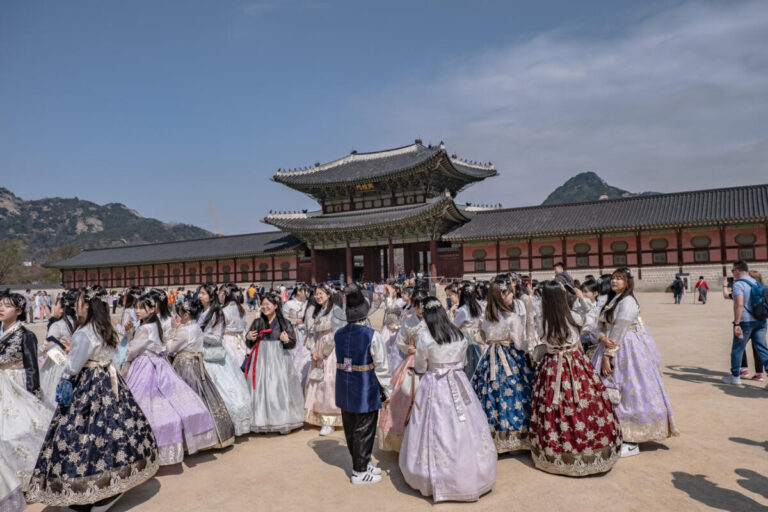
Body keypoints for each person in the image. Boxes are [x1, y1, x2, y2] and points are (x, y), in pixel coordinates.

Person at [26, 286, 158, 510]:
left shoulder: (83, 332)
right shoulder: (103, 326)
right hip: (108, 380)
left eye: (78, 301)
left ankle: (87, 489)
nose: (74, 305)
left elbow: (72, 367)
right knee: (112, 431)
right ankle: (114, 479)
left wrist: (59, 354)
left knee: (81, 436)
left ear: (87, 305)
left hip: (88, 385)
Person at [399, 297, 497, 502]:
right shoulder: (458, 335)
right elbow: (462, 360)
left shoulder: (426, 337)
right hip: (458, 381)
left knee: (433, 426)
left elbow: (421, 367)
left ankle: (431, 475)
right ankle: (471, 472)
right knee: (465, 424)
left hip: (434, 384)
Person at [529, 282, 622, 476]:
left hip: (552, 366)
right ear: (563, 298)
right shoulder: (575, 317)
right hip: (574, 363)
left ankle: (555, 450)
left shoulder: (543, 321)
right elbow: (593, 315)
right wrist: (582, 298)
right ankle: (587, 446)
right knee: (583, 402)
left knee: (552, 405)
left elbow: (539, 338)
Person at [591, 268, 679, 457]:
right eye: (613, 278)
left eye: (619, 279)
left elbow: (620, 329)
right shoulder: (612, 300)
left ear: (627, 282)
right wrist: (601, 337)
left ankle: (631, 439)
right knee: (610, 390)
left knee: (629, 390)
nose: (614, 281)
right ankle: (614, 432)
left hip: (625, 348)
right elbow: (599, 325)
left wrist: (607, 355)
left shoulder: (628, 301)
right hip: (609, 344)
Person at [123, 293, 217, 465]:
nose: (137, 311)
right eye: (136, 307)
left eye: (141, 308)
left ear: (152, 310)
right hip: (160, 363)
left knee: (144, 402)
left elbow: (132, 350)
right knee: (171, 399)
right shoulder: (155, 324)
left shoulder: (144, 328)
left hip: (145, 364)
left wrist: (127, 360)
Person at [334, 285, 392, 484]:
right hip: (365, 386)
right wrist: (387, 389)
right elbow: (382, 365)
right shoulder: (371, 335)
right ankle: (359, 471)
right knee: (365, 428)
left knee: (351, 427)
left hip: (344, 385)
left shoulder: (338, 334)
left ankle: (363, 462)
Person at [0, 291, 53, 491]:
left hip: (17, 384)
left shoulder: (25, 335)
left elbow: (32, 367)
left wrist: (33, 393)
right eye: (0, 304)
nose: (1, 308)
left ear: (19, 311)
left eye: (7, 306)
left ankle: (25, 478)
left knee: (19, 431)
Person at [473, 280, 534, 453]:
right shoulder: (512, 317)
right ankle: (516, 437)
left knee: (489, 393)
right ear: (501, 295)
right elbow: (518, 343)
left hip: (490, 358)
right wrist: (529, 347)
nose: (512, 295)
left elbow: (483, 337)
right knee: (516, 392)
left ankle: (492, 437)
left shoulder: (486, 317)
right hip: (509, 357)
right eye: (509, 292)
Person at [168, 299, 235, 449]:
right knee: (204, 397)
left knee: (187, 401)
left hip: (184, 366)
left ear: (186, 315)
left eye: (179, 314)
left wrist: (173, 331)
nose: (177, 316)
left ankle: (193, 441)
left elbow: (170, 348)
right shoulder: (197, 327)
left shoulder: (184, 330)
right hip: (197, 366)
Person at [245, 291, 305, 434]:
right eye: (263, 304)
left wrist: (286, 340)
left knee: (278, 389)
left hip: (279, 359)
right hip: (261, 360)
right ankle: (262, 421)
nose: (265, 307)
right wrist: (249, 338)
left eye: (268, 304)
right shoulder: (258, 322)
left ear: (276, 306)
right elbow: (250, 344)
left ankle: (282, 420)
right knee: (261, 390)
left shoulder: (284, 323)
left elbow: (292, 343)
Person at [197, 286, 252, 437]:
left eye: (203, 293)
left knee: (223, 386)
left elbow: (217, 337)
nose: (199, 296)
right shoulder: (203, 312)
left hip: (213, 354)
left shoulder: (217, 312)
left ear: (212, 296)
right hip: (204, 349)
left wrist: (197, 333)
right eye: (199, 293)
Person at [377, 288, 428, 452]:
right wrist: (407, 348)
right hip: (412, 361)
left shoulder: (433, 319)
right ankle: (403, 439)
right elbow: (400, 341)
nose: (419, 310)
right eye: (417, 306)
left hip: (429, 362)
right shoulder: (408, 321)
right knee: (403, 395)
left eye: (422, 306)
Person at [304, 283, 345, 435]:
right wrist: (313, 350)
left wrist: (324, 352)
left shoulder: (336, 311)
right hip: (318, 347)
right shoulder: (316, 311)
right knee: (317, 381)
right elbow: (311, 333)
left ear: (329, 294)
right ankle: (319, 416)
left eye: (321, 293)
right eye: (316, 294)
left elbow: (337, 333)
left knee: (329, 383)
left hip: (332, 350)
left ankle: (330, 420)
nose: (318, 296)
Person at [722, 261, 768, 388]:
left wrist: (737, 323)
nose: (732, 273)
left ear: (737, 270)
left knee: (738, 349)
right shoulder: (756, 282)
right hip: (760, 320)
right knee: (763, 350)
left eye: (732, 271)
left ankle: (735, 377)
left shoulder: (739, 284)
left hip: (745, 322)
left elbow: (739, 304)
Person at [38, 290, 78, 406]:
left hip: (57, 365)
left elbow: (46, 346)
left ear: (61, 309)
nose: (54, 307)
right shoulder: (77, 323)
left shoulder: (58, 325)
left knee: (51, 398)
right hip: (74, 362)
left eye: (56, 305)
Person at [452, 283, 484, 379]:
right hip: (477, 336)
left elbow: (455, 326)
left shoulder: (462, 310)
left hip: (466, 337)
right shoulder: (478, 307)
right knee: (477, 360)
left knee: (467, 363)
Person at [283, 283, 311, 388]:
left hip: (305, 333)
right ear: (299, 291)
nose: (307, 293)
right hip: (293, 332)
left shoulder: (307, 303)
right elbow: (284, 319)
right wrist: (295, 321)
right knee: (292, 355)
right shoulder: (288, 304)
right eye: (305, 291)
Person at [219, 283, 248, 365]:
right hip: (240, 340)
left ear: (224, 294)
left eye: (220, 292)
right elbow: (245, 326)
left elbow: (219, 330)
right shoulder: (241, 309)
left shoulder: (223, 310)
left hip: (227, 341)